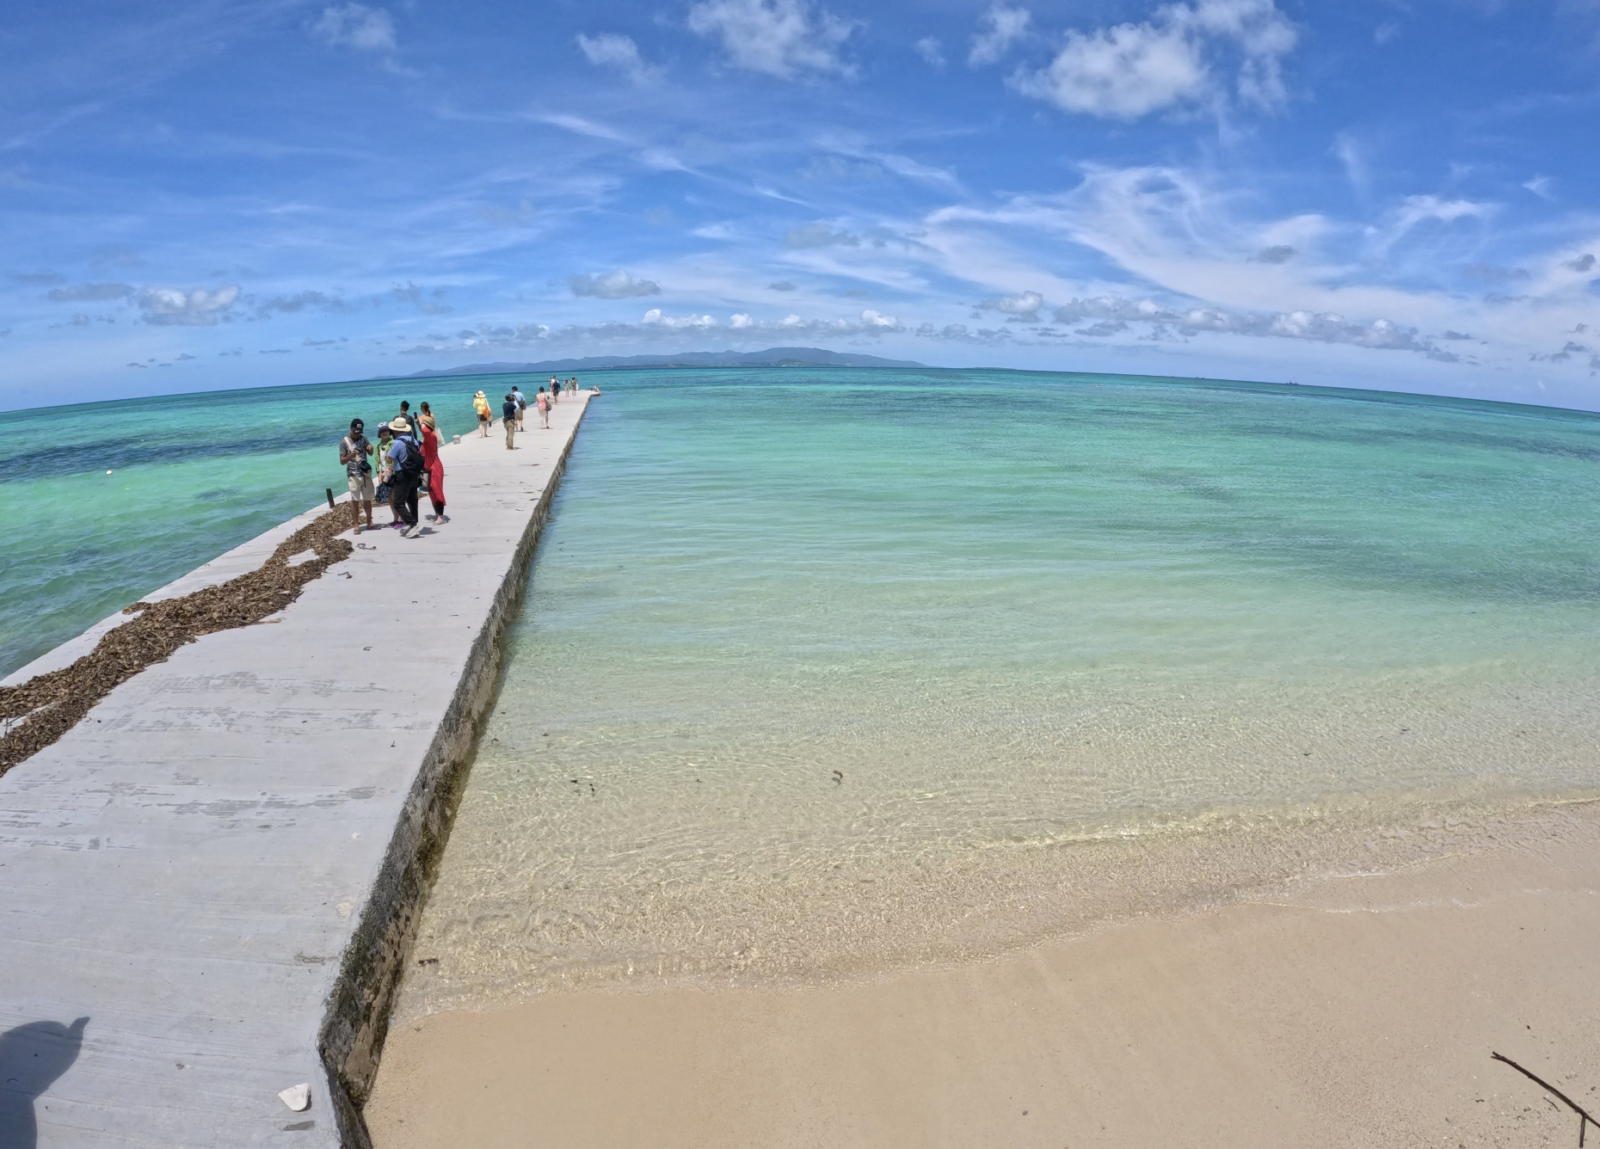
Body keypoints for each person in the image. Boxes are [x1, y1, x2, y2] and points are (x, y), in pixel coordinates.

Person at [387, 416, 425, 538]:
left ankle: (411, 523)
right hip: (414, 473)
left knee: (398, 502)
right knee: (412, 500)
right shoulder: (413, 440)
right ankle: (414, 522)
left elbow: (389, 458)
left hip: (402, 474)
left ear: (396, 430)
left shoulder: (397, 442)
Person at [339, 418, 375, 533]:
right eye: (355, 431)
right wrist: (350, 456)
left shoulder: (364, 438)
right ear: (351, 428)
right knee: (355, 500)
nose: (356, 434)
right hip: (353, 475)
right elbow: (342, 461)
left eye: (358, 432)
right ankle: (356, 524)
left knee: (367, 499)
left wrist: (370, 448)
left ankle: (369, 522)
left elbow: (370, 452)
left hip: (365, 474)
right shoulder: (344, 442)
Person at [418, 411, 448, 524]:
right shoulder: (426, 438)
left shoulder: (431, 437)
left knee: (437, 491)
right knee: (431, 492)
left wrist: (422, 423)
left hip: (434, 467)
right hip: (427, 468)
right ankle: (437, 514)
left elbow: (425, 431)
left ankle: (440, 516)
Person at [373, 423, 400, 526]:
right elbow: (377, 462)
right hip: (384, 475)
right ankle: (395, 518)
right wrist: (379, 474)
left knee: (396, 496)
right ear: (379, 434)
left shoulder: (393, 443)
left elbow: (394, 460)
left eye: (387, 430)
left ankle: (401, 518)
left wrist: (388, 471)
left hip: (393, 473)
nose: (385, 433)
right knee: (389, 497)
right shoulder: (378, 446)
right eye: (382, 431)